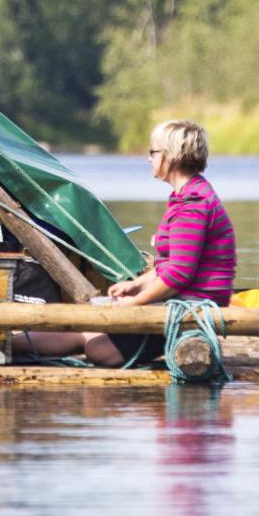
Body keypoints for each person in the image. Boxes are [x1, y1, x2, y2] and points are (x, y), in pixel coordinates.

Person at [23, 118, 237, 368]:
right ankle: (1, 341)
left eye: (153, 152)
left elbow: (179, 274)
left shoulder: (192, 205)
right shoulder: (186, 197)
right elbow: (169, 266)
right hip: (183, 299)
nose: (149, 158)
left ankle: (0, 341)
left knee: (97, 349)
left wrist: (134, 303)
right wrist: (134, 285)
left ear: (172, 156)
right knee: (89, 332)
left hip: (193, 307)